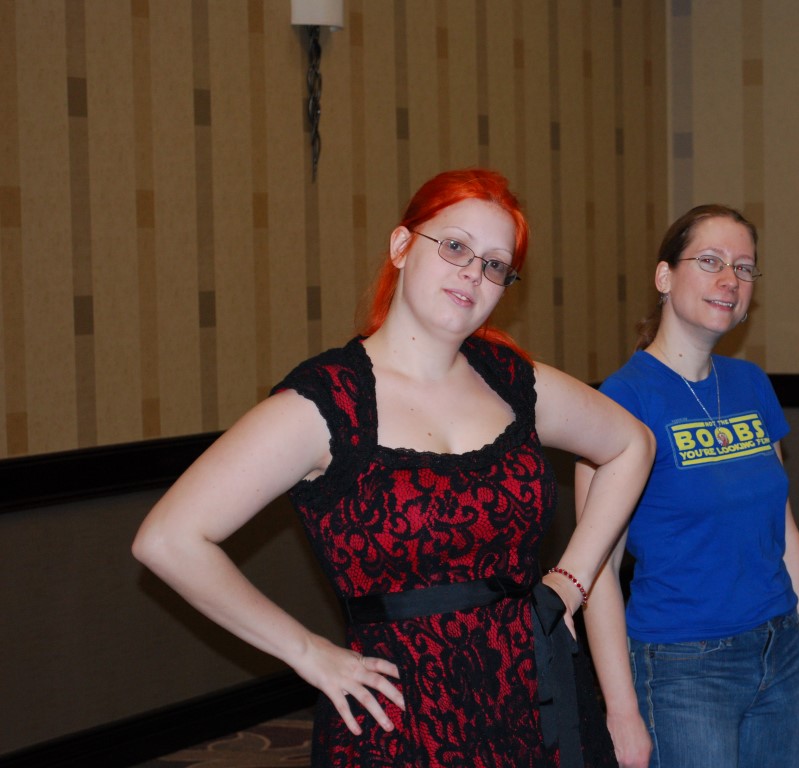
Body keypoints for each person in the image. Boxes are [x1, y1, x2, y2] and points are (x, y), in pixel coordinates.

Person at [133, 168, 655, 768]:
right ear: (402, 246)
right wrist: (307, 652)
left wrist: (571, 581)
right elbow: (168, 540)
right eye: (455, 246)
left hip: (535, 692)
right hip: (402, 715)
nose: (473, 272)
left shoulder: (512, 381)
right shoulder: (328, 404)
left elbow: (631, 444)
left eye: (495, 264)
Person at [574, 204, 799, 768]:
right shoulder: (621, 402)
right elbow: (595, 571)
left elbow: (784, 534)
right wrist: (620, 709)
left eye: (744, 268)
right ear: (664, 277)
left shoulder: (751, 384)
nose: (730, 280)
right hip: (683, 668)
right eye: (711, 261)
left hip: (780, 652)